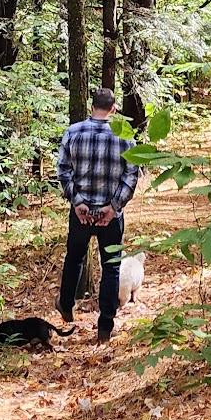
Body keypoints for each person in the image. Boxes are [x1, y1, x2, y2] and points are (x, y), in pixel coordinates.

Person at [56, 86, 138, 346]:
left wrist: (77, 202)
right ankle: (105, 326)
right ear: (114, 110)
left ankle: (67, 304)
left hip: (80, 213)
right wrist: (113, 207)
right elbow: (131, 176)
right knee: (111, 267)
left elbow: (63, 170)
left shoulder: (74, 132)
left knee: (74, 258)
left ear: (92, 106)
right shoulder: (124, 136)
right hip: (110, 216)